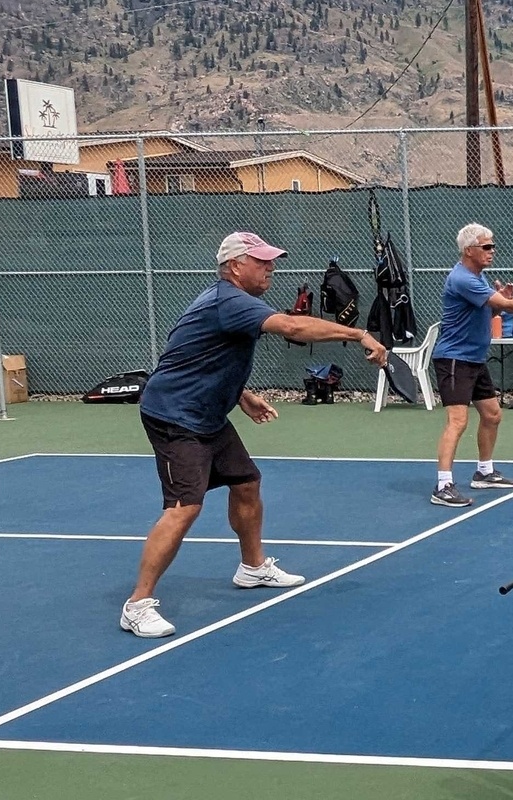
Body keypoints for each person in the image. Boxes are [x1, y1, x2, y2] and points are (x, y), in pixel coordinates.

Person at [120, 231, 388, 638]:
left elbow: (188, 355)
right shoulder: (229, 301)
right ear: (234, 267)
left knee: (246, 483)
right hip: (175, 417)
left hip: (207, 414)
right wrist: (358, 333)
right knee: (184, 506)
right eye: (260, 261)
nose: (270, 268)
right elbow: (293, 327)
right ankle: (137, 605)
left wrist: (241, 395)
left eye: (270, 261)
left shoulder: (227, 304)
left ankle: (252, 568)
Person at [430, 223, 513, 507]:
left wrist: (500, 300)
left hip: (474, 358)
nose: (493, 251)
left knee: (492, 415)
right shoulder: (463, 279)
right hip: (455, 358)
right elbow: (509, 307)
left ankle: (484, 472)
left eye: (492, 245)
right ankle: (443, 485)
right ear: (469, 251)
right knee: (457, 421)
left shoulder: (478, 277)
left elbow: (492, 307)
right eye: (487, 246)